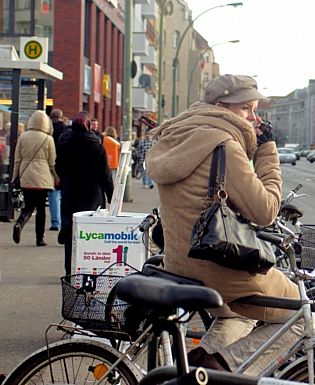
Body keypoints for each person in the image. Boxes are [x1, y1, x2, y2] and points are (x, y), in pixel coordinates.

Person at [146, 74, 298, 371]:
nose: (254, 118)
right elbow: (266, 210)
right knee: (299, 314)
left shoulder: (177, 136)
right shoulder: (224, 145)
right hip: (219, 266)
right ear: (220, 106)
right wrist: (267, 151)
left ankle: (200, 365)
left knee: (236, 314)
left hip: (179, 264)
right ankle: (222, 368)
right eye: (246, 109)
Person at [56, 113, 113, 275]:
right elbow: (105, 175)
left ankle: (69, 271)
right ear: (88, 126)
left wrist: (66, 179)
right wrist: (112, 195)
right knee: (90, 233)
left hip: (70, 193)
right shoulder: (97, 146)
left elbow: (58, 166)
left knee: (70, 234)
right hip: (92, 195)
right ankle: (88, 269)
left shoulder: (65, 144)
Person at [11, 111, 58, 246]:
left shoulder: (23, 137)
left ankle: (19, 223)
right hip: (42, 178)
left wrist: (15, 177)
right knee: (41, 209)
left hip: (26, 176)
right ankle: (39, 238)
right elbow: (52, 161)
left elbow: (17, 160)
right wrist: (56, 176)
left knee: (28, 206)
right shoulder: (48, 139)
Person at [48, 109, 67, 231]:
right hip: (64, 166)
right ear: (61, 116)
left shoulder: (48, 131)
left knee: (53, 194)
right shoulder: (66, 131)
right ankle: (64, 221)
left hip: (51, 165)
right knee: (64, 195)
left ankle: (55, 222)